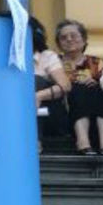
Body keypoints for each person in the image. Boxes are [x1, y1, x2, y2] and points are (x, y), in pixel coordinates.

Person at [55, 19, 103, 155]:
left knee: (97, 87)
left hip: (96, 112)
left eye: (74, 35)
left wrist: (96, 82)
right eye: (63, 37)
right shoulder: (54, 63)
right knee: (78, 88)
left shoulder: (96, 62)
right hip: (65, 112)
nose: (69, 39)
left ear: (84, 39)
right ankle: (82, 141)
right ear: (58, 43)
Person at [31, 19, 70, 152]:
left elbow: (65, 86)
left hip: (49, 115)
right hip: (15, 114)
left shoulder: (47, 56)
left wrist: (39, 96)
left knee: (36, 80)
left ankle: (34, 140)